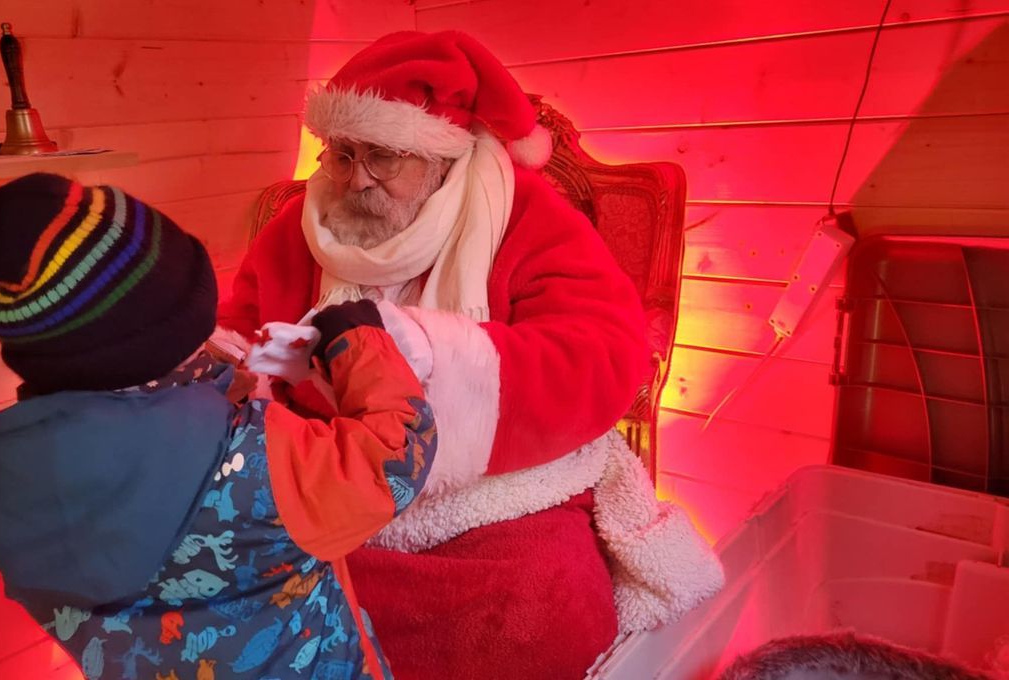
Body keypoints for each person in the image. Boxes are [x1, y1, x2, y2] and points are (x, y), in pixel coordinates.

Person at [214, 30, 723, 679]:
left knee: (539, 607)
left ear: (442, 157)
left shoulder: (527, 215)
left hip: (495, 483)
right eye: (341, 155)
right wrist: (244, 360)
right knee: (219, 566)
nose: (355, 179)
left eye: (384, 157)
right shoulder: (302, 221)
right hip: (326, 468)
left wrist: (421, 353)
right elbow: (244, 323)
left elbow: (604, 352)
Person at [0, 157, 437, 680]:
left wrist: (216, 387)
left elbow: (139, 448)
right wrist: (357, 337)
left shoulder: (2, 483)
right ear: (165, 329)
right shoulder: (255, 459)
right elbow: (395, 456)